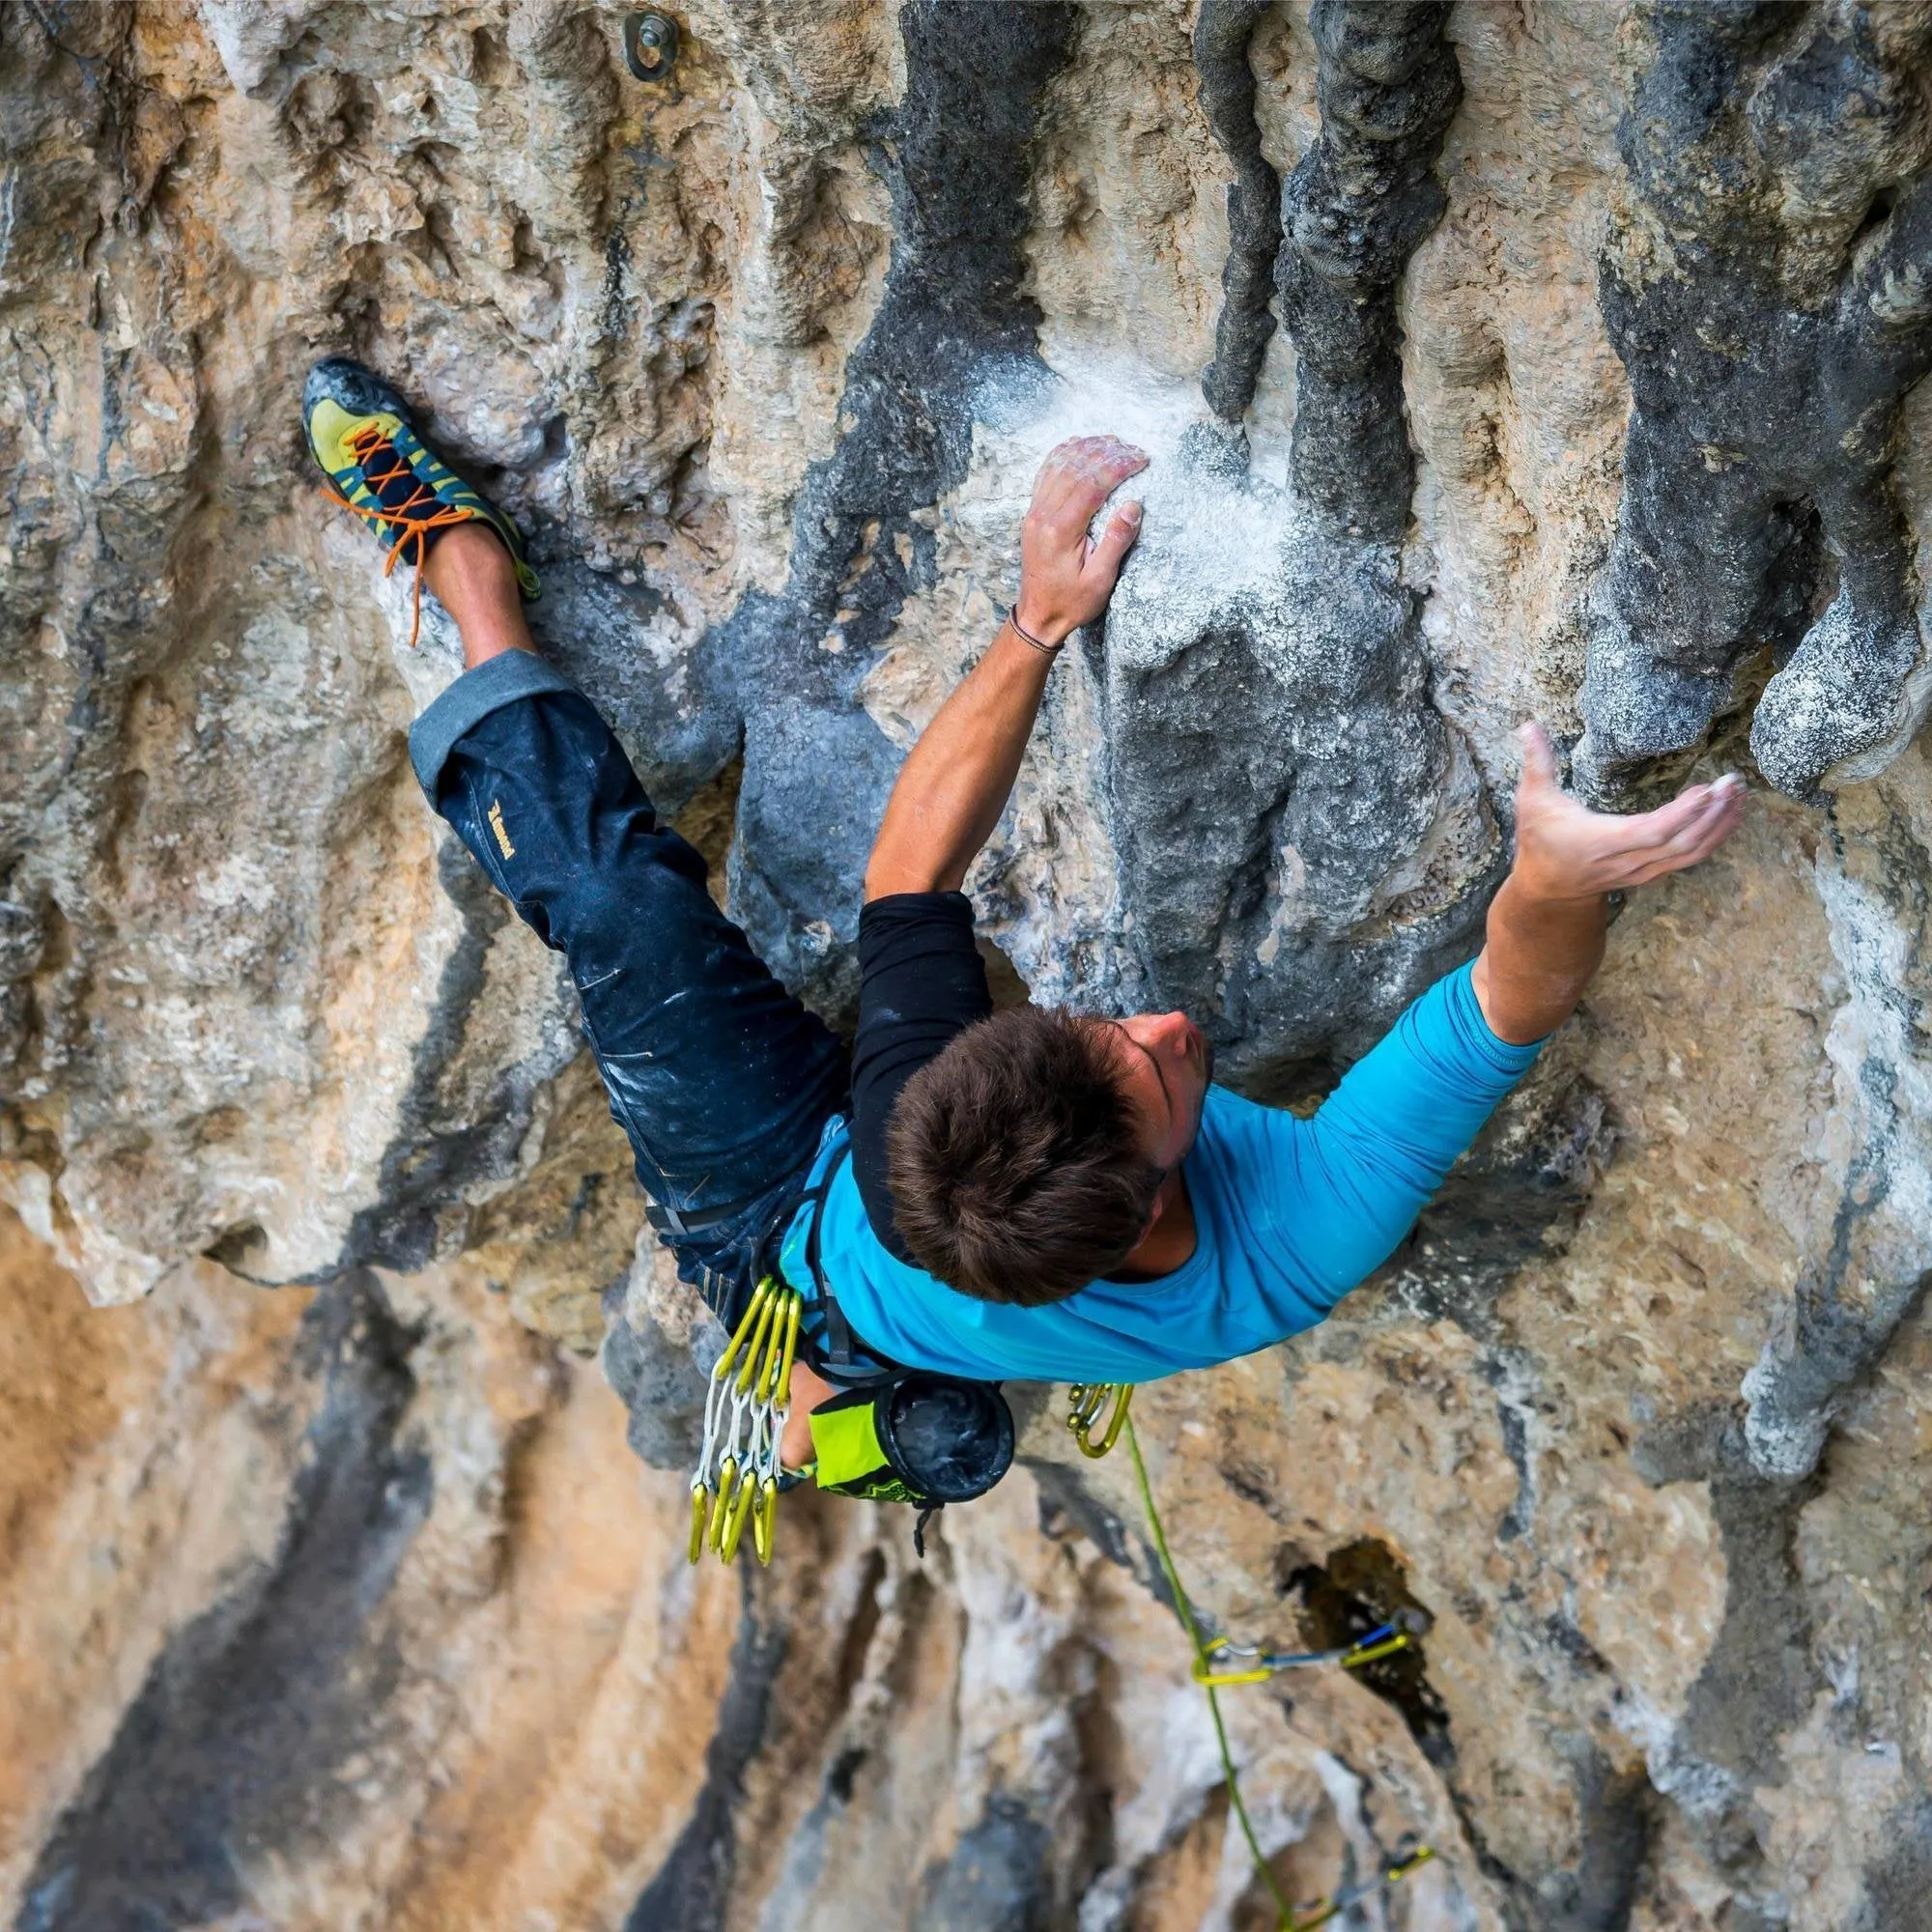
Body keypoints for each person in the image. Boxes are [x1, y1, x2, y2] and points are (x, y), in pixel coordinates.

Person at [306, 358, 1745, 1509]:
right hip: (871, 1238)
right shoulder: (1277, 1235)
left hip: (766, 1212)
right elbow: (1508, 1000)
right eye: (1152, 1066)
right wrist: (1560, 877)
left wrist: (1036, 625)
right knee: (631, 911)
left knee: (616, 909)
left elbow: (909, 880)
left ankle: (470, 585)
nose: (1169, 1027)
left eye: (1127, 1047)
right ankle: (468, 570)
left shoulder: (940, 1139)